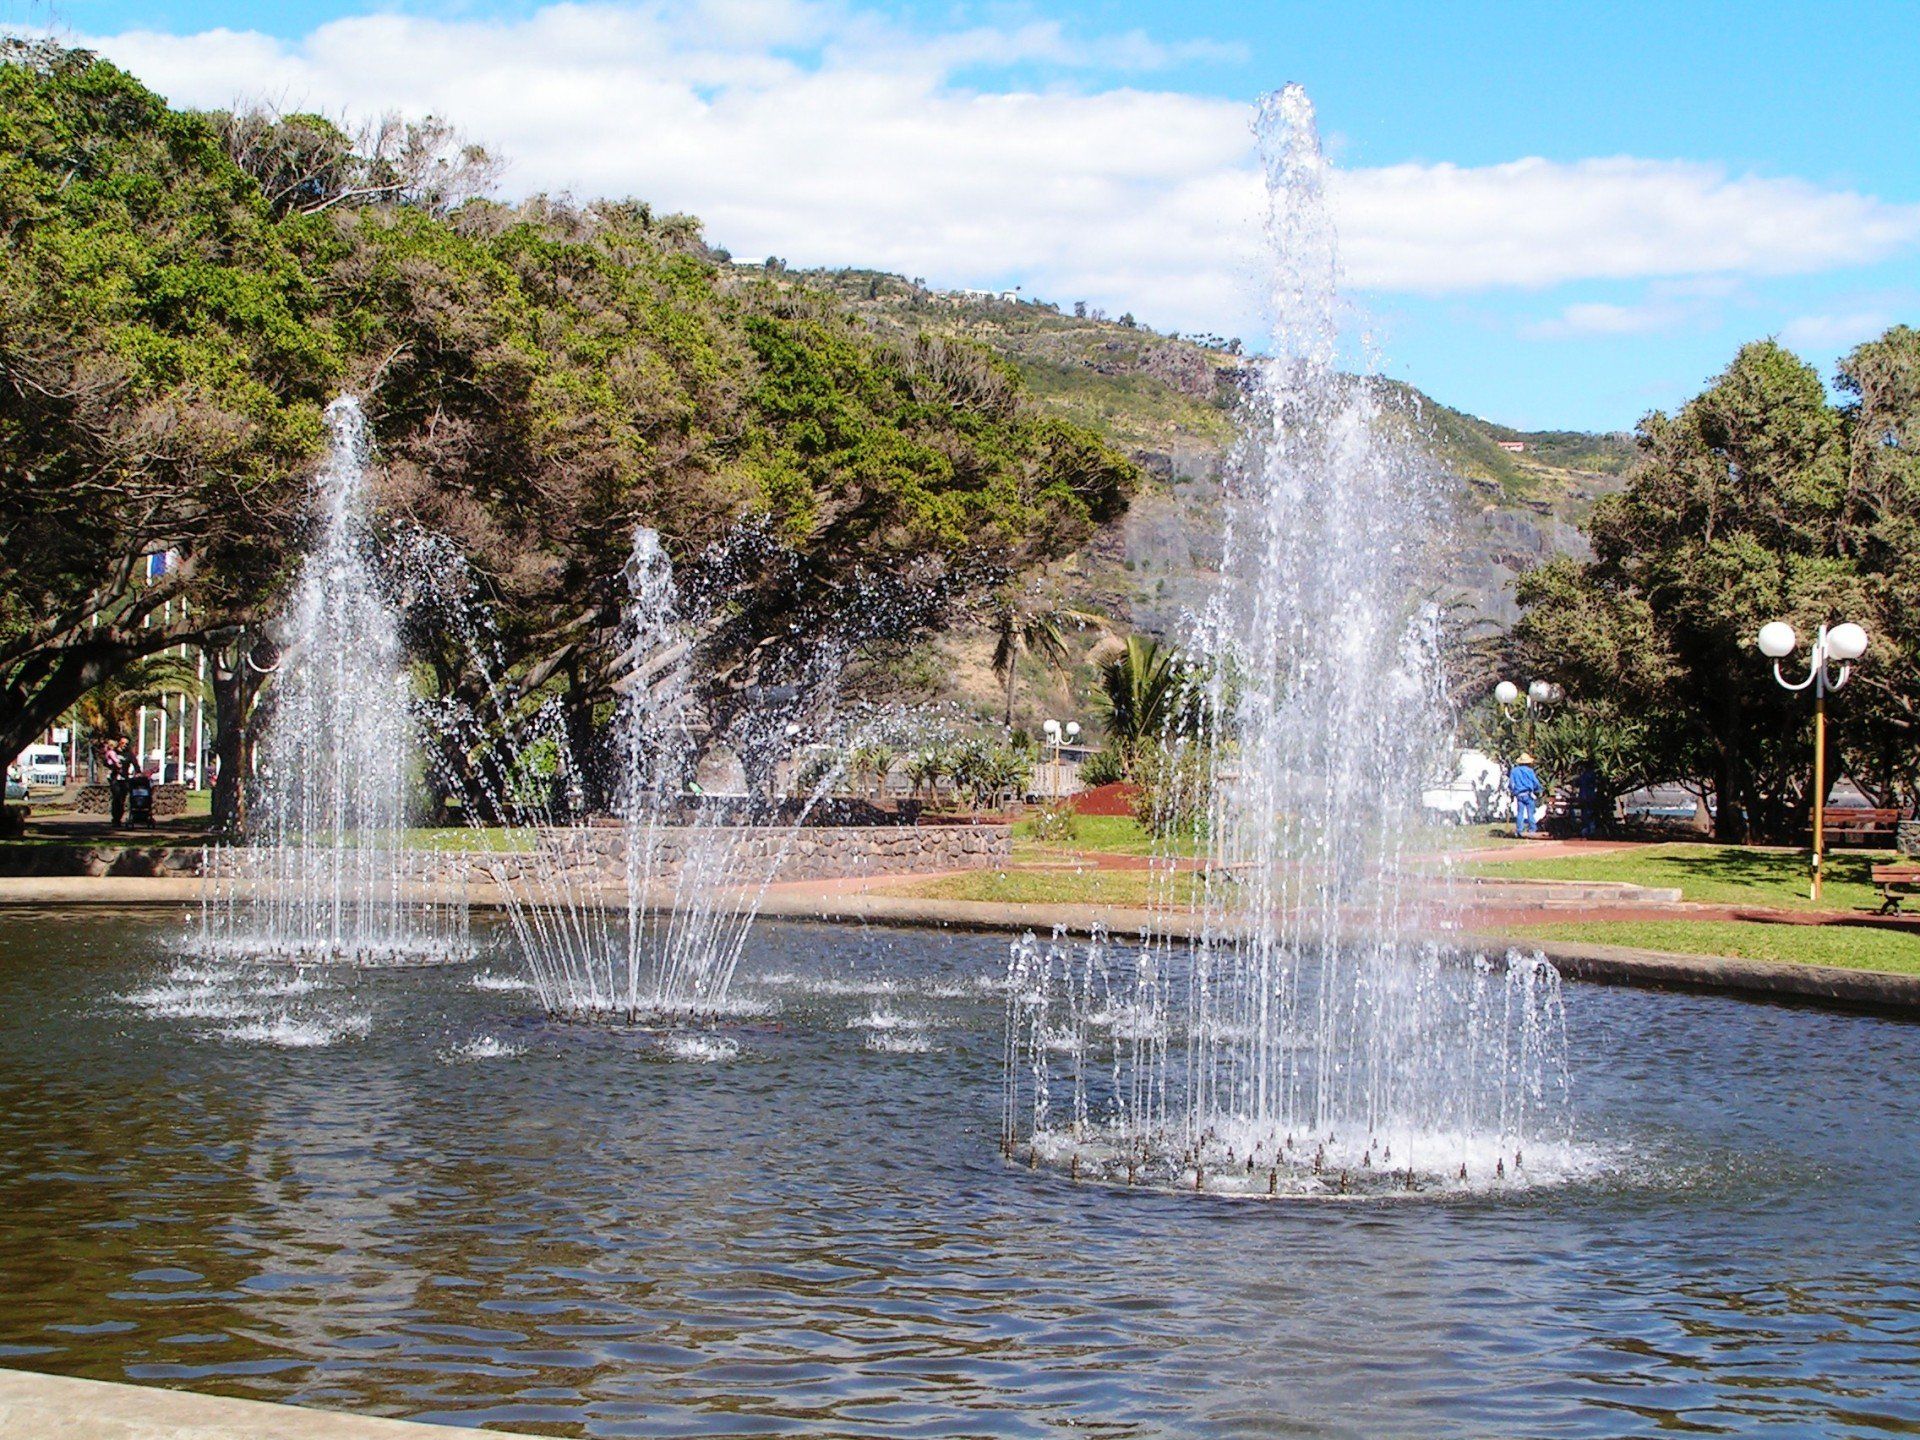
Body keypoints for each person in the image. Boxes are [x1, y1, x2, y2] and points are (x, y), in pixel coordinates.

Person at [1509, 752, 1543, 838]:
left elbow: (1511, 784)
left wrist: (1513, 792)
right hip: (1528, 794)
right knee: (1530, 812)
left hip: (1519, 794)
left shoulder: (1514, 771)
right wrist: (1538, 789)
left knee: (1520, 813)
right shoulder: (1529, 771)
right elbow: (1535, 782)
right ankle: (1532, 829)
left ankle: (1519, 829)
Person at [103, 739, 129, 825]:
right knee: (117, 797)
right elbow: (116, 762)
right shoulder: (111, 753)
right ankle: (116, 817)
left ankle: (118, 817)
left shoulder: (119, 753)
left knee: (121, 798)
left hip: (122, 779)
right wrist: (118, 765)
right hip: (115, 778)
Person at [1575, 760, 1603, 839]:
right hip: (1590, 796)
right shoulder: (1591, 775)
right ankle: (1590, 830)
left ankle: (1587, 830)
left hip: (1584, 797)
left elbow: (1577, 783)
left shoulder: (1583, 775)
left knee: (1586, 814)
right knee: (1590, 813)